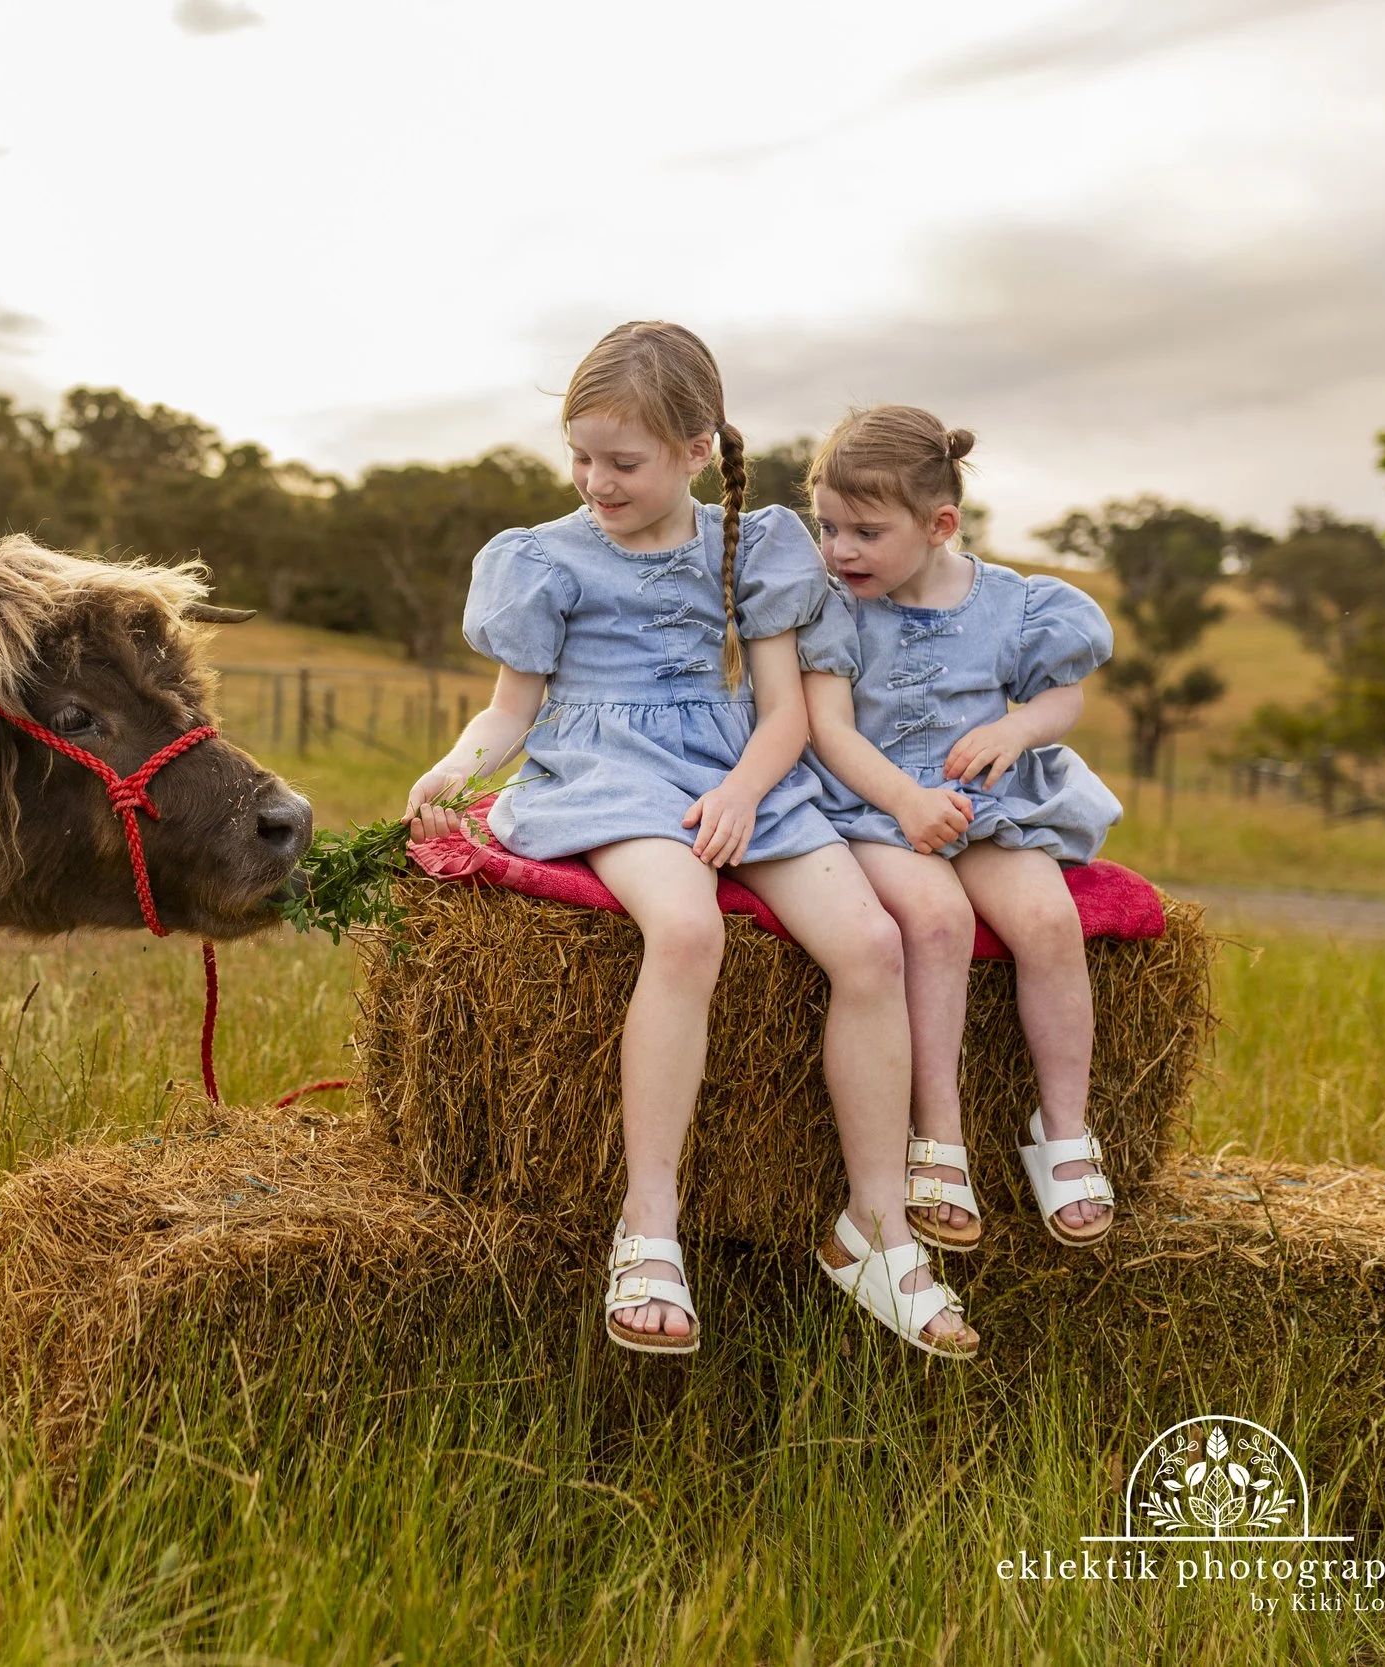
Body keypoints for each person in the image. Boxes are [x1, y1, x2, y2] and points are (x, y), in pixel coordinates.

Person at [405, 324, 977, 1360]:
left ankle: (876, 1227)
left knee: (871, 946)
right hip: (606, 772)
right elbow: (509, 713)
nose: (595, 481)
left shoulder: (754, 545)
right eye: (580, 456)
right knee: (683, 928)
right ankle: (649, 1223)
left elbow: (783, 712)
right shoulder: (542, 558)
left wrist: (744, 794)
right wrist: (453, 770)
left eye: (620, 462)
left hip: (740, 768)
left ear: (695, 448)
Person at [796, 404, 1123, 1256]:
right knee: (935, 922)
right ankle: (937, 1134)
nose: (840, 550)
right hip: (870, 804)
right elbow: (828, 728)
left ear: (941, 525)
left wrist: (1018, 731)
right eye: (827, 526)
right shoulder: (834, 607)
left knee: (1050, 921)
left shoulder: (1013, 604)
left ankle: (1062, 1128)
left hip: (986, 802)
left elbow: (1063, 695)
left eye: (866, 531)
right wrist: (905, 800)